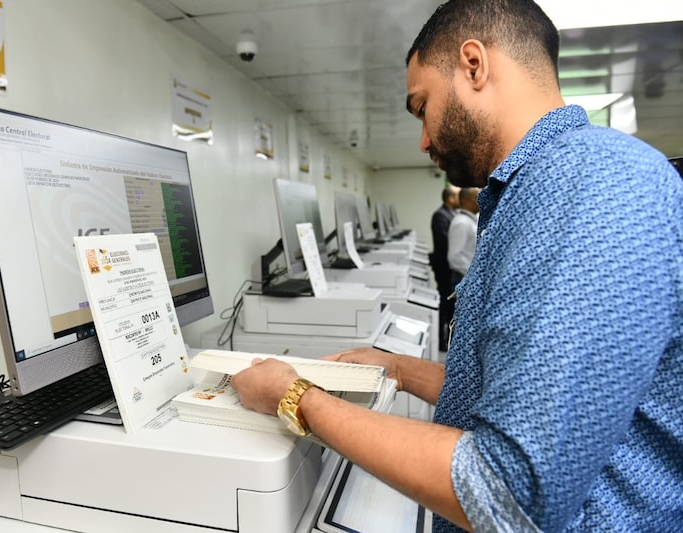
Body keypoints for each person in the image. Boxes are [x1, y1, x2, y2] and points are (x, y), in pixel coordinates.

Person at [231, 0, 683, 531]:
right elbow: (515, 392)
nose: (423, 139)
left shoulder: (590, 184)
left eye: (421, 107)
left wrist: (295, 397)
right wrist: (397, 369)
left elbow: (507, 492)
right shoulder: (539, 189)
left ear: (474, 65)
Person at [429, 186, 459, 351]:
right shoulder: (440, 215)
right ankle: (441, 341)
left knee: (449, 307)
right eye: (456, 196)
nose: (459, 198)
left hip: (449, 268)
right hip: (444, 269)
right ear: (449, 198)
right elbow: (445, 242)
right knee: (444, 304)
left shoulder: (453, 214)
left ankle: (447, 338)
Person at [446, 187, 480, 287]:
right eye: (476, 198)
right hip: (464, 278)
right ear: (465, 201)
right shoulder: (461, 223)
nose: (480, 200)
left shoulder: (472, 220)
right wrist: (475, 273)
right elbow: (455, 257)